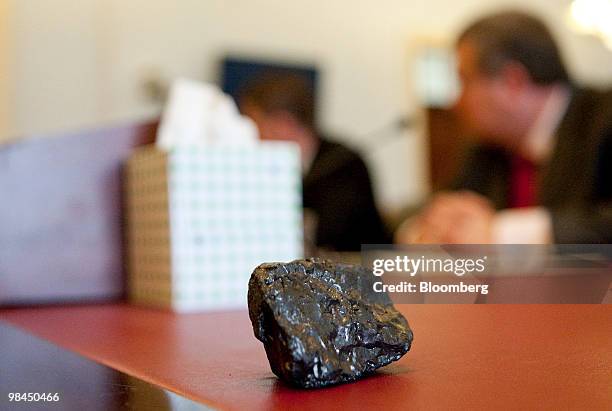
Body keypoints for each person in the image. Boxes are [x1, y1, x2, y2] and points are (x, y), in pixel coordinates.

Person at [397, 10, 612, 244]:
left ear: (513, 82)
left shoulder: (605, 120)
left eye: (464, 80)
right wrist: (428, 227)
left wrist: (500, 232)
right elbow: (434, 205)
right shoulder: (487, 147)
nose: (455, 101)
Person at [239, 72, 391, 251]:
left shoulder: (343, 162)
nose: (248, 137)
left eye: (253, 125)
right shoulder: (266, 168)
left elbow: (328, 233)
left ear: (283, 123)